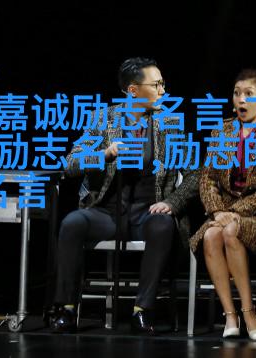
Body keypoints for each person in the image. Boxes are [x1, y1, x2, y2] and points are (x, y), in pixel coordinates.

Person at [50, 57, 199, 334]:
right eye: (156, 85)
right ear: (133, 90)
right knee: (72, 223)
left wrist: (171, 202)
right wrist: (104, 154)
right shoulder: (103, 119)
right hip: (106, 212)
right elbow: (70, 164)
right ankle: (66, 309)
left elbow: (195, 174)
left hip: (148, 211)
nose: (163, 91)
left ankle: (142, 310)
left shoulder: (170, 124)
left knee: (163, 225)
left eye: (162, 84)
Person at [190, 69, 256, 340]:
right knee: (211, 235)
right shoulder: (221, 131)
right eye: (236, 93)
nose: (241, 100)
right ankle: (230, 315)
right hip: (222, 214)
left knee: (230, 230)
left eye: (249, 94)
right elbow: (207, 180)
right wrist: (218, 211)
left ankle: (249, 311)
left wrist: (232, 214)